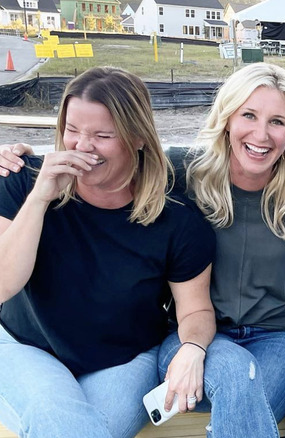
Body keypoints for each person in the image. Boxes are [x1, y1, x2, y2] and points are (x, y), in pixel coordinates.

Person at [0, 67, 216, 438]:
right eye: (72, 130)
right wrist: (39, 198)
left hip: (124, 357)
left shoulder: (178, 222)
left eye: (102, 135)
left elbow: (195, 309)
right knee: (57, 417)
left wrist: (193, 346)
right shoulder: (23, 181)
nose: (82, 146)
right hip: (24, 343)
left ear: (138, 138)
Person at [159, 62, 285, 437]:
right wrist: (21, 160)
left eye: (277, 122)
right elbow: (108, 156)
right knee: (239, 383)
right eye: (249, 115)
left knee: (245, 407)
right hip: (192, 336)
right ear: (227, 120)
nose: (262, 134)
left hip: (278, 338)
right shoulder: (181, 172)